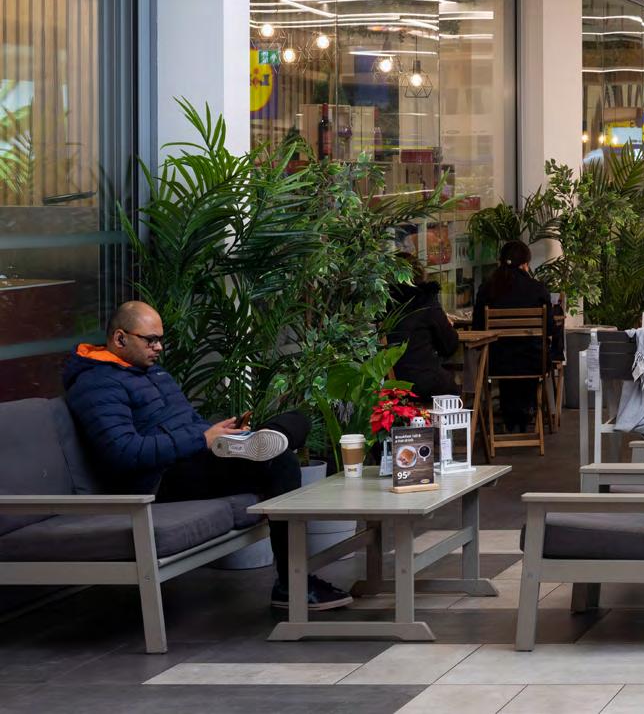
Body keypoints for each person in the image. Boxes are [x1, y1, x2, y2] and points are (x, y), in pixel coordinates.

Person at [62, 301, 353, 611]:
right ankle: (292, 585)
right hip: (157, 480)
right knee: (279, 463)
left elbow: (185, 423)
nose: (159, 347)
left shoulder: (152, 372)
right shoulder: (97, 384)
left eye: (160, 340)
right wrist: (202, 438)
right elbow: (124, 452)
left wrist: (219, 433)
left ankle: (264, 438)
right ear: (120, 338)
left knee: (297, 419)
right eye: (151, 340)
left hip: (189, 460)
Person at [474, 241, 559, 434]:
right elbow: (550, 329)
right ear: (525, 264)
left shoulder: (487, 289)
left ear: (500, 262)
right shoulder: (537, 289)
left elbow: (478, 328)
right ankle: (525, 412)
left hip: (496, 363)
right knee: (525, 357)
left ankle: (511, 415)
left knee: (506, 357)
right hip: (533, 363)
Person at [388, 255, 460, 401]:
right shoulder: (425, 302)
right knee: (450, 385)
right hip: (422, 382)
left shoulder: (383, 305)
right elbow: (449, 346)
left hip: (389, 384)